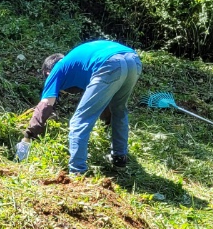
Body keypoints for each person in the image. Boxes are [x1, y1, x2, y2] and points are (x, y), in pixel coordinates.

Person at [16, 40, 142, 176]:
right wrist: (106, 123)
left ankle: (77, 172)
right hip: (133, 60)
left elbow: (45, 105)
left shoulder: (57, 69)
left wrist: (28, 136)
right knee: (119, 110)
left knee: (79, 121)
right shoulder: (78, 65)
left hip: (109, 63)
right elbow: (105, 101)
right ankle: (119, 159)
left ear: (47, 73)